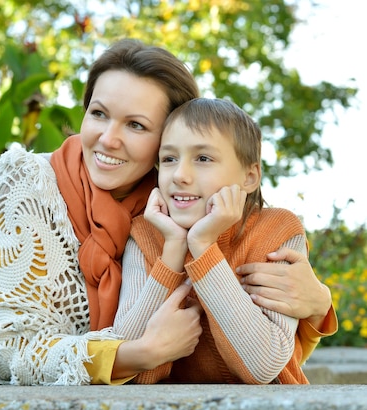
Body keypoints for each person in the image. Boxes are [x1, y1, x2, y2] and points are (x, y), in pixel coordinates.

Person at [0, 39, 336, 386]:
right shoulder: (31, 184)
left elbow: (265, 358)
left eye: (136, 125)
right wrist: (139, 354)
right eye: (98, 113)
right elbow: (16, 349)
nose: (109, 139)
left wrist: (319, 303)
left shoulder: (174, 202)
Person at [112, 97, 336, 384]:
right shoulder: (146, 232)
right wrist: (172, 252)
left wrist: (203, 248)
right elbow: (129, 363)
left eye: (203, 158)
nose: (180, 175)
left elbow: (263, 367)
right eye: (169, 159)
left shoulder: (278, 230)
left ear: (249, 176)